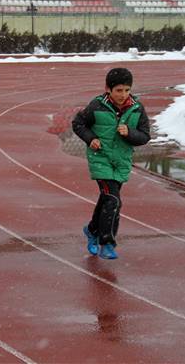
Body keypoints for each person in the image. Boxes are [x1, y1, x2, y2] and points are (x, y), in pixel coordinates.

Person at [72, 67, 150, 259]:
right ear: (108, 89)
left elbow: (145, 136)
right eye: (118, 90)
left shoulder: (137, 108)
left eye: (126, 90)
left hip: (121, 161)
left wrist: (130, 133)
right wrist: (91, 139)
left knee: (107, 199)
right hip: (101, 158)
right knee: (113, 200)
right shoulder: (97, 106)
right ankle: (107, 242)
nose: (123, 95)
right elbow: (78, 123)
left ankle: (91, 230)